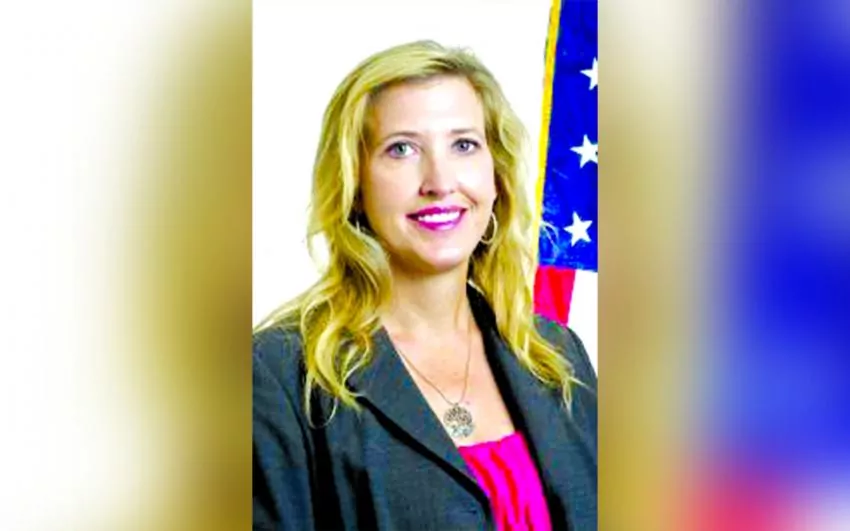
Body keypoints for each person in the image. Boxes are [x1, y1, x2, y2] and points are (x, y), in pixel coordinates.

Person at [253, 40, 597, 531]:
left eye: (464, 145)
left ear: (496, 174)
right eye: (402, 149)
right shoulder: (280, 375)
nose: (439, 181)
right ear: (355, 184)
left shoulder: (556, 354)